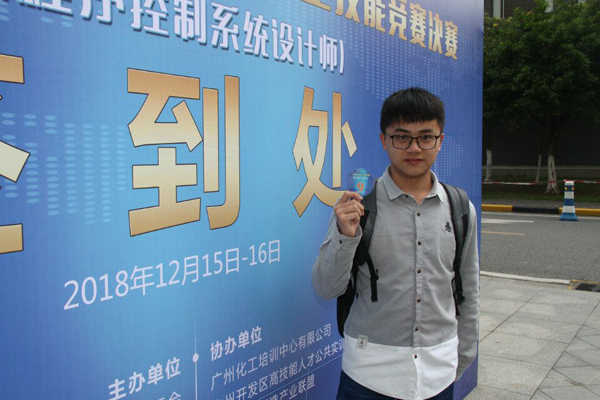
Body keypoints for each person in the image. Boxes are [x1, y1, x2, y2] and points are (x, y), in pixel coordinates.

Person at [312, 88, 479, 400]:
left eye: (425, 137)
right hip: (368, 376)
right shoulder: (359, 207)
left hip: (438, 374)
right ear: (384, 140)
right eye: (402, 137)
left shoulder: (460, 208)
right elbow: (325, 287)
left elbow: (468, 290)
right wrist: (345, 236)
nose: (414, 148)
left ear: (440, 141)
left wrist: (463, 355)